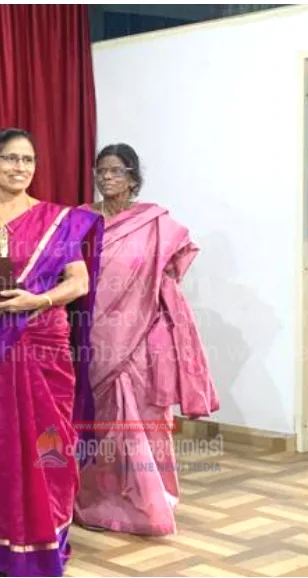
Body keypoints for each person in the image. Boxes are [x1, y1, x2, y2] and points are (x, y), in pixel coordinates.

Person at [0, 128, 102, 577]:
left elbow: (79, 282)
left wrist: (39, 300)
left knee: (48, 448)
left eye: (28, 159)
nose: (20, 167)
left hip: (43, 342)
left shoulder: (56, 220)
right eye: (10, 158)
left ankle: (44, 544)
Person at [75, 143, 218, 536]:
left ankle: (147, 500)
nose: (107, 177)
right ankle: (100, 501)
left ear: (133, 178)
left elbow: (172, 270)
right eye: (101, 170)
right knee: (101, 421)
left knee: (143, 417)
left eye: (115, 171)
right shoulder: (81, 219)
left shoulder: (155, 222)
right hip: (93, 336)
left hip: (139, 340)